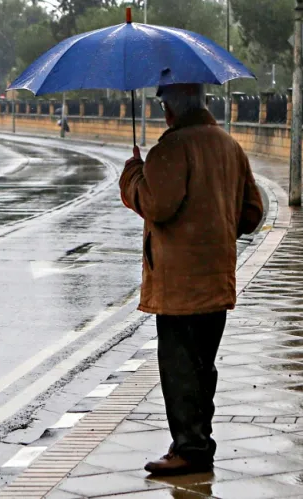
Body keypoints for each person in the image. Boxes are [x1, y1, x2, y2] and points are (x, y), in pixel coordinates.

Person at [119, 83, 264, 476]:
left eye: (164, 104)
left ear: (170, 109)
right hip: (216, 277)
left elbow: (154, 204)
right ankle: (197, 441)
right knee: (203, 366)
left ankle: (190, 449)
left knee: (180, 366)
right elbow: (252, 212)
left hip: (178, 283)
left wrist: (133, 174)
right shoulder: (229, 146)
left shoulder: (172, 149)